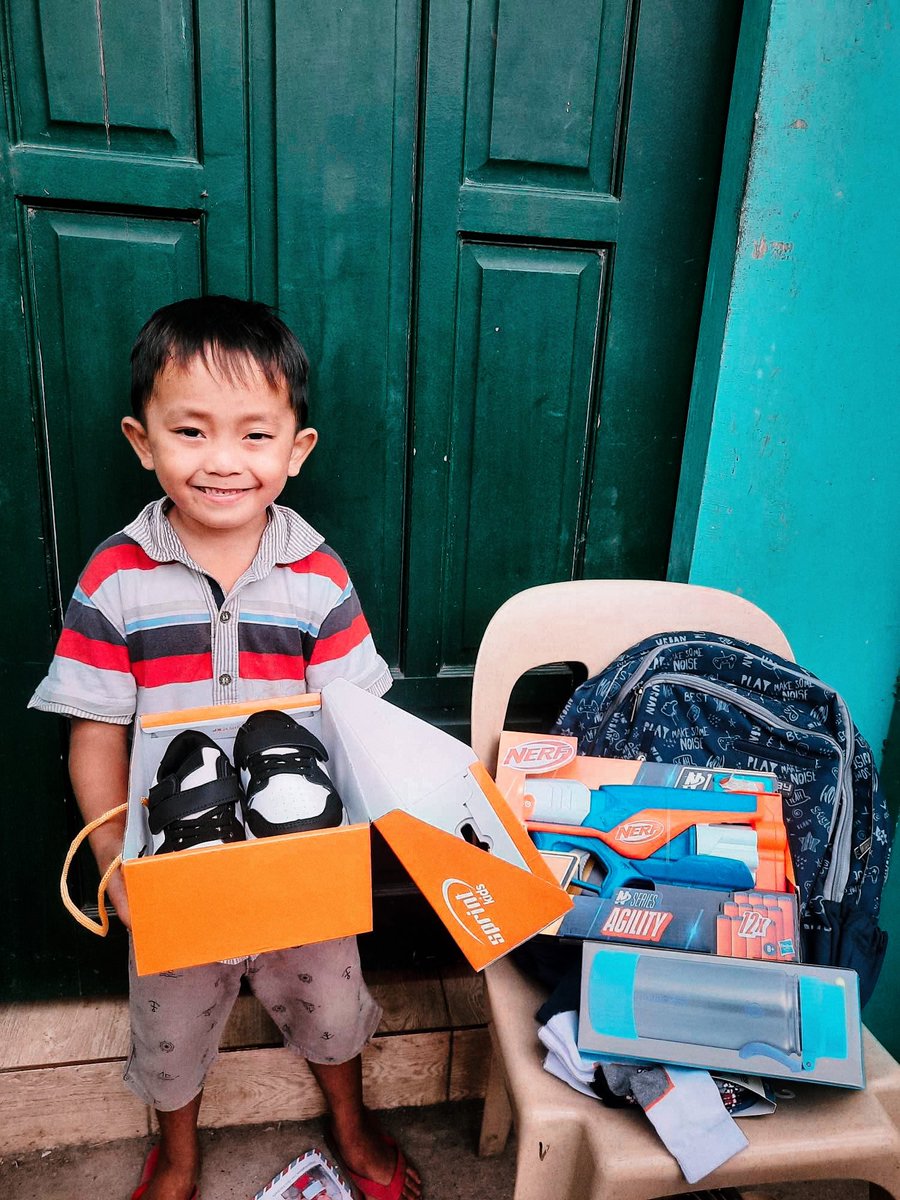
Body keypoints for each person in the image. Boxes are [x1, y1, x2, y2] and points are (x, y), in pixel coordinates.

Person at [29, 296, 421, 1200]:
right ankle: (179, 1153)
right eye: (191, 430)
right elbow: (94, 731)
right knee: (169, 1027)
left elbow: (362, 725)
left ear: (296, 449)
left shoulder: (317, 575)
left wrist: (381, 836)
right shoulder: (116, 579)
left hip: (301, 854)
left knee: (330, 1004)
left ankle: (351, 1124)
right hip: (173, 864)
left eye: (254, 435)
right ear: (142, 441)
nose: (221, 461)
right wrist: (112, 858)